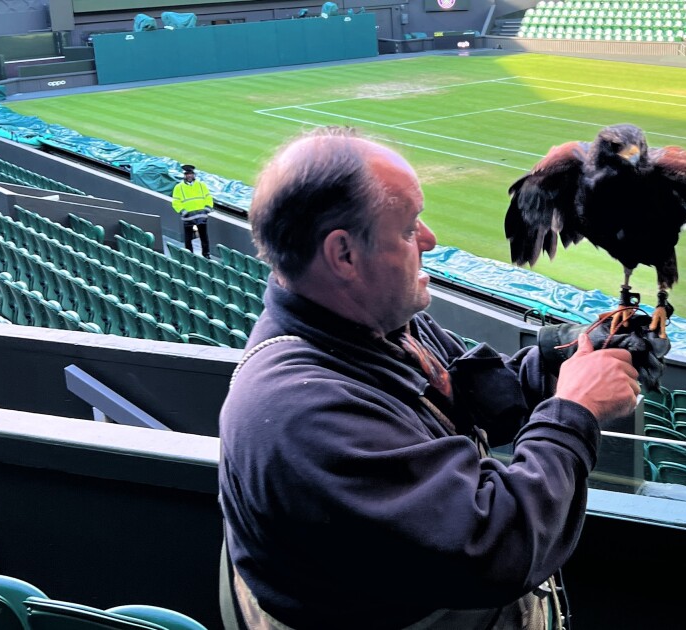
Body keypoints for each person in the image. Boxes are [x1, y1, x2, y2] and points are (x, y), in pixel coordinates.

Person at [218, 126, 642, 630]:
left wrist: (564, 360)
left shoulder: (373, 319)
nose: (431, 240)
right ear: (344, 255)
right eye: (407, 228)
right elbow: (495, 544)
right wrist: (576, 412)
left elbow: (471, 396)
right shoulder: (300, 412)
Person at [172, 164, 213, 257]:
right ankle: (189, 255)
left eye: (191, 174)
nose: (189, 176)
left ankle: (206, 254)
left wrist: (207, 209)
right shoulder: (179, 187)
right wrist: (183, 211)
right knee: (188, 238)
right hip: (188, 217)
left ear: (194, 175)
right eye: (187, 174)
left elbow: (208, 197)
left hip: (201, 216)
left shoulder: (201, 185)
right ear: (184, 175)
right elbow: (176, 202)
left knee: (204, 237)